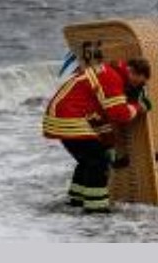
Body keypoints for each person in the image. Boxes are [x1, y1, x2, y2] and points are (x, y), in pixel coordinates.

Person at [42, 57, 151, 213]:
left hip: (62, 114)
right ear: (133, 72)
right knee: (97, 161)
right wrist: (137, 107)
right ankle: (96, 208)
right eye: (139, 83)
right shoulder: (112, 78)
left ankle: (76, 200)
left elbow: (102, 117)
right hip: (69, 117)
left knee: (87, 160)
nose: (138, 87)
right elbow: (119, 114)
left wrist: (109, 145)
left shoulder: (109, 72)